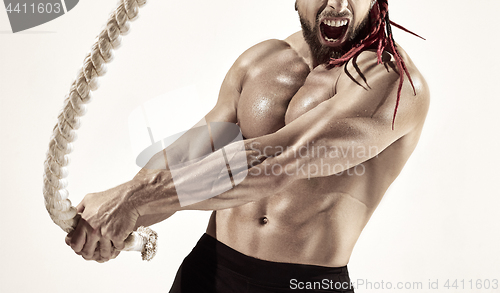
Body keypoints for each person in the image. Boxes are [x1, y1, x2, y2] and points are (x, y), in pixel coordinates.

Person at [65, 0, 429, 292]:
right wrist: (121, 219)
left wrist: (132, 200)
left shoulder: (391, 81)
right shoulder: (262, 60)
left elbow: (280, 161)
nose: (338, 4)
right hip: (209, 270)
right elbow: (192, 151)